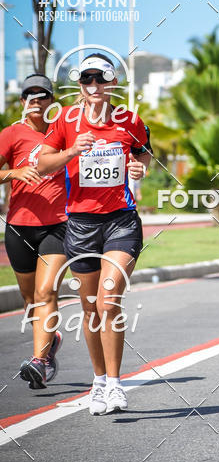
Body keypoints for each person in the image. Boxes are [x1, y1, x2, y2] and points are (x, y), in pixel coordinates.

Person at [38, 54, 151, 415]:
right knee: (90, 310)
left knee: (108, 301)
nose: (94, 86)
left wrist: (139, 167)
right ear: (80, 86)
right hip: (82, 226)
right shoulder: (66, 121)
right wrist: (72, 150)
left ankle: (117, 384)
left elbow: (144, 152)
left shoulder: (129, 120)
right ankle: (99, 381)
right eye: (87, 80)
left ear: (112, 82)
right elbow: (41, 163)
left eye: (101, 79)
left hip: (121, 220)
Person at [0, 75, 67, 388]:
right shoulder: (11, 134)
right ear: (22, 101)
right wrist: (14, 171)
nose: (36, 101)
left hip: (58, 225)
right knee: (30, 301)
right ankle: (50, 340)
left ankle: (40, 361)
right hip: (19, 228)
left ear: (52, 101)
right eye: (30, 95)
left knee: (46, 293)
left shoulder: (63, 131)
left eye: (42, 96)